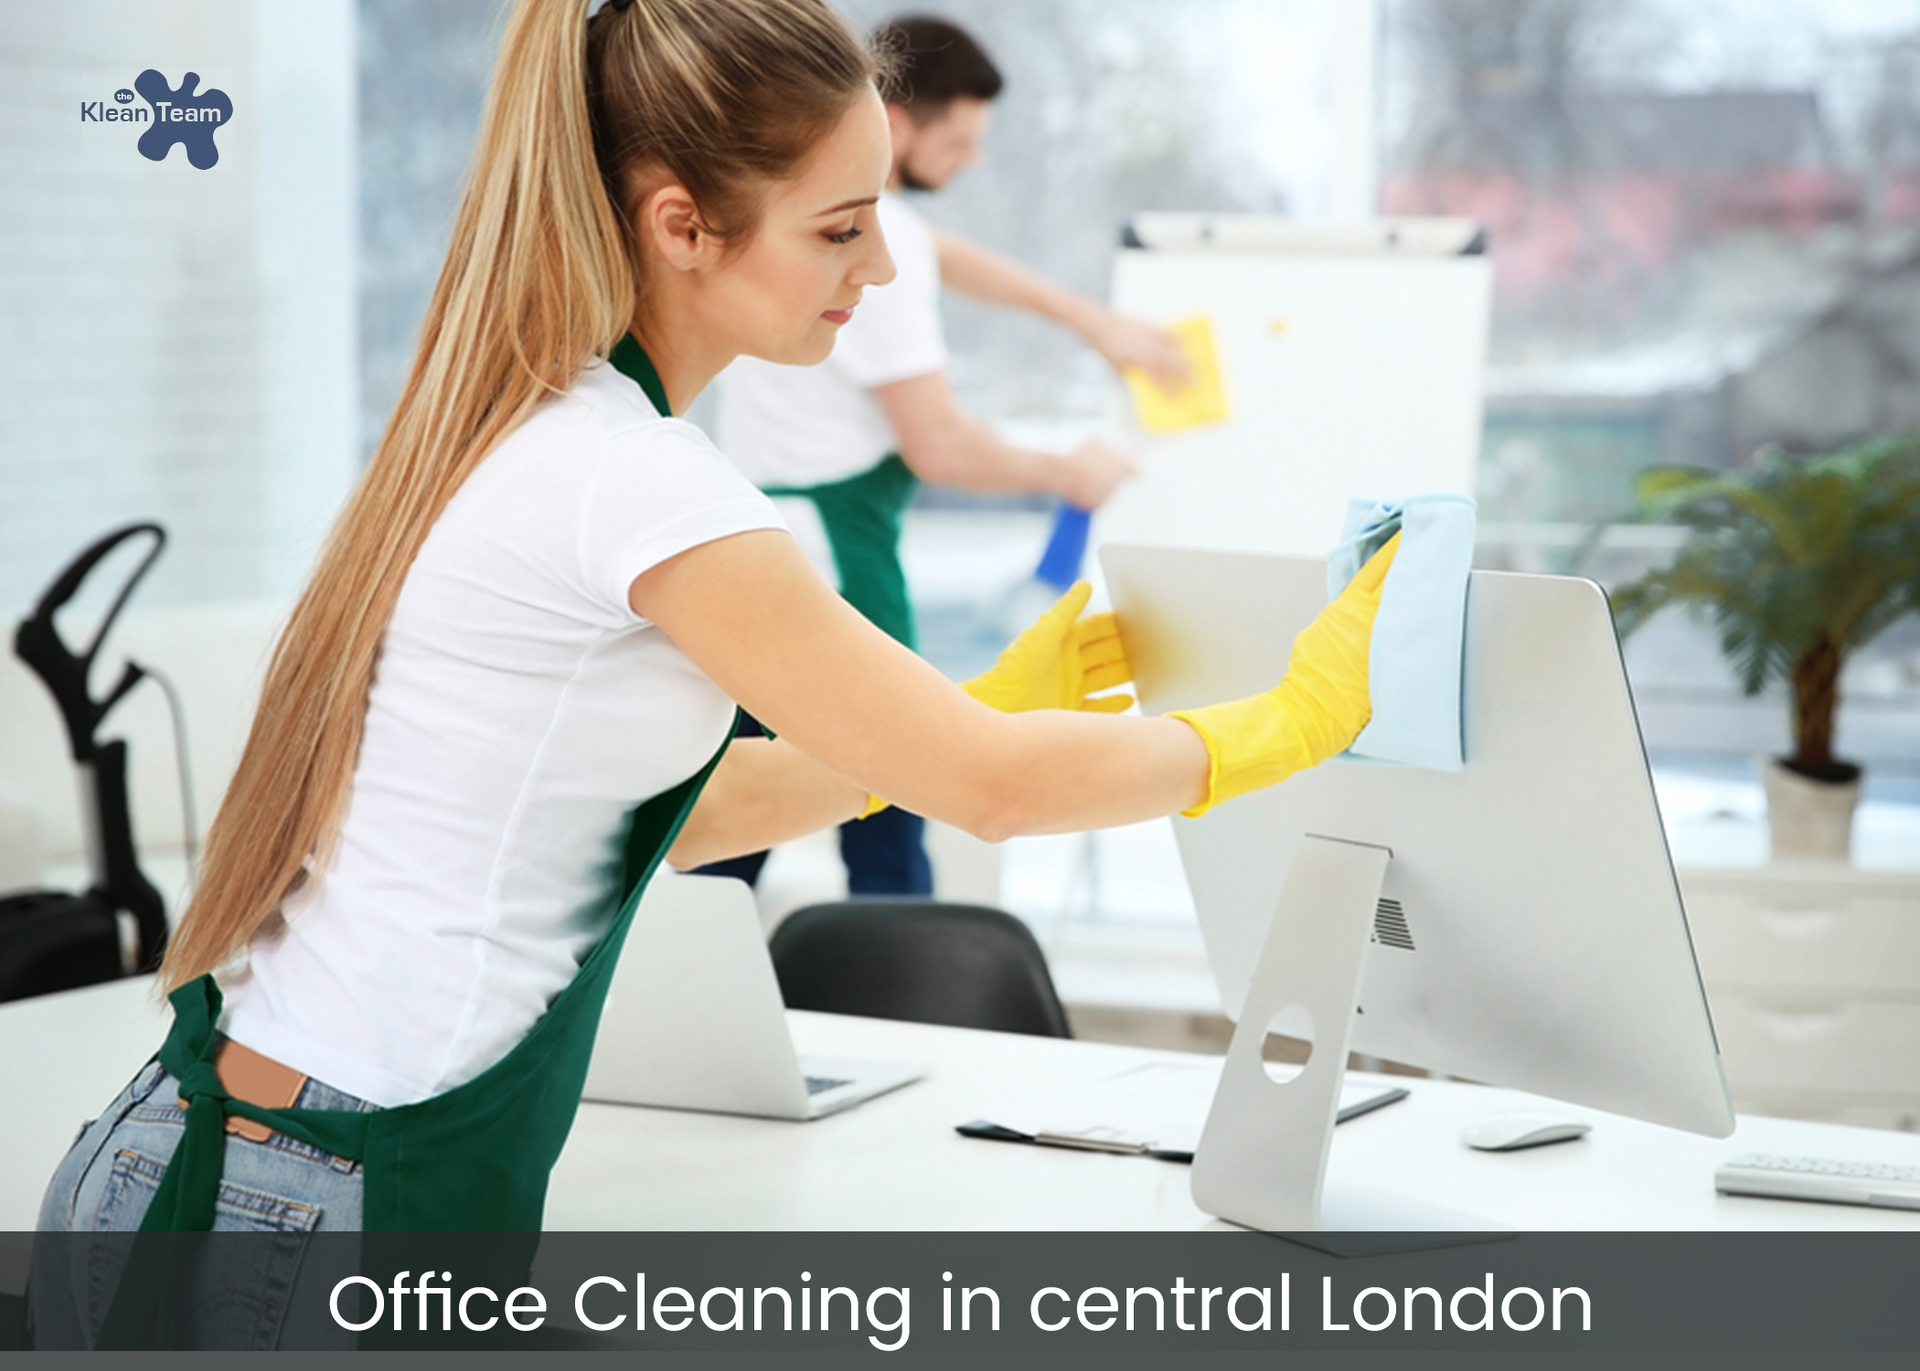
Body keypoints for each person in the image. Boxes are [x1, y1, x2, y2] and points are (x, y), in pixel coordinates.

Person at [33, 0, 1392, 1346]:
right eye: (840, 228)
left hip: (216, 1153)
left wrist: (972, 711)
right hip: (316, 1197)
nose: (879, 270)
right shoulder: (637, 479)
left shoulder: (528, 422)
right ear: (684, 226)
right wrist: (1291, 721)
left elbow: (680, 810)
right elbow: (999, 795)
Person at [705, 14, 1192, 895]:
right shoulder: (870, 253)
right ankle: (896, 1008)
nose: (969, 161)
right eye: (959, 141)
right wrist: (1064, 469)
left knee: (749, 800)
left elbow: (954, 259)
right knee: (884, 793)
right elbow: (939, 446)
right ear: (892, 121)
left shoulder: (834, 225)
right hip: (834, 555)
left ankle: (673, 982)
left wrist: (1090, 322)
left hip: (773, 533)